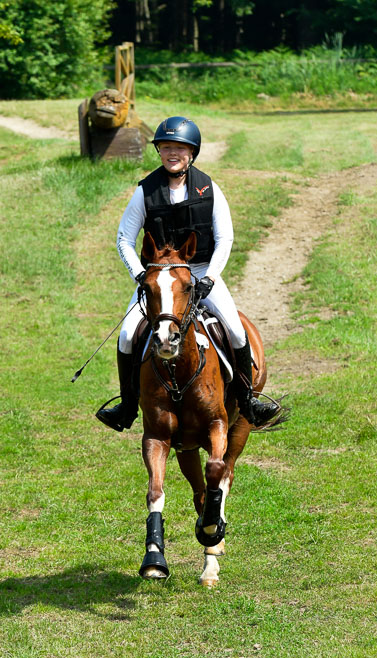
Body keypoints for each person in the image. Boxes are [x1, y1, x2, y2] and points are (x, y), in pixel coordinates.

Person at [96, 115, 280, 431]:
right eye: (166, 147)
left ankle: (247, 399)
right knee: (128, 334)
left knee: (235, 330)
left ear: (191, 153)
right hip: (159, 277)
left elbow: (225, 239)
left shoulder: (209, 189)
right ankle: (128, 405)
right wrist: (140, 275)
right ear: (159, 151)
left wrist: (209, 277)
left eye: (179, 148)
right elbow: (124, 239)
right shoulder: (145, 192)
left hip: (200, 273)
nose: (172, 153)